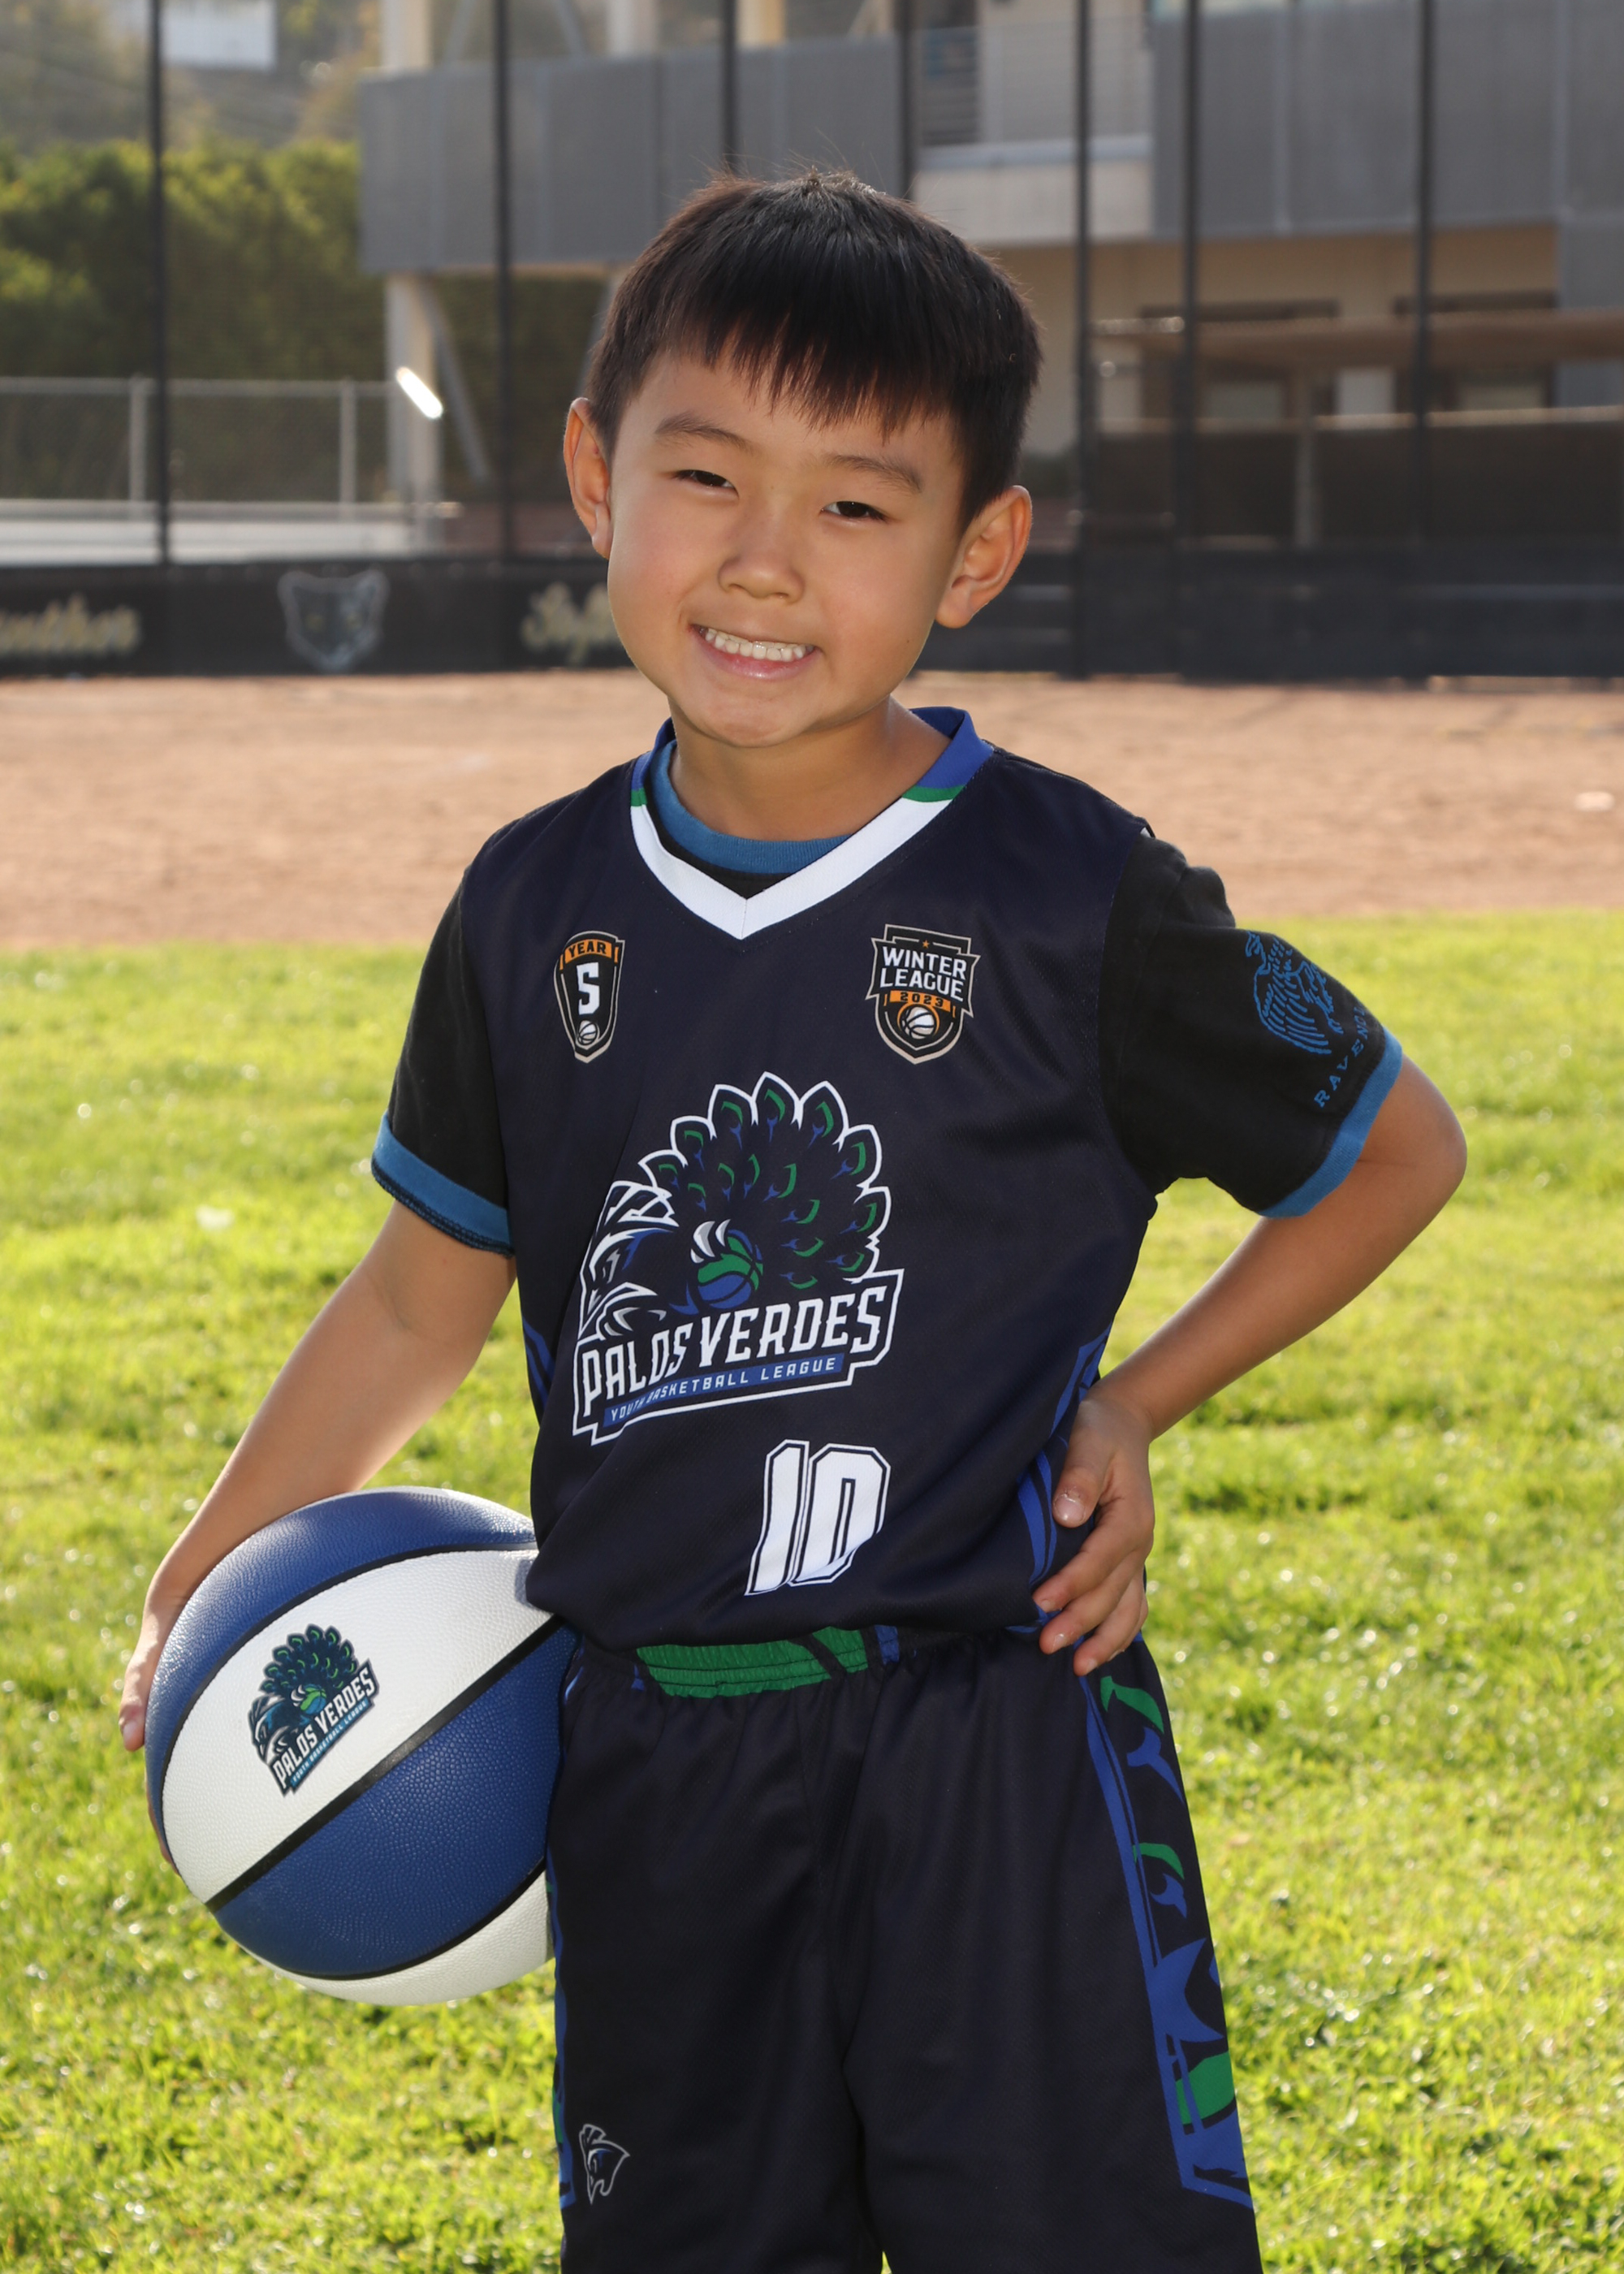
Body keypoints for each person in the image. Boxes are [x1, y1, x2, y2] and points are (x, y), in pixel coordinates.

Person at [121, 172, 1466, 2272]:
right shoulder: (529, 910)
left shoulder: (1070, 894)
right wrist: (203, 1579)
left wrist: (1134, 1403)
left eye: (854, 504)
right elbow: (412, 1310)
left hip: (994, 1741)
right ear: (595, 478)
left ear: (975, 554)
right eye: (706, 476)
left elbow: (1390, 1152)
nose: (764, 558)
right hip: (654, 1762)